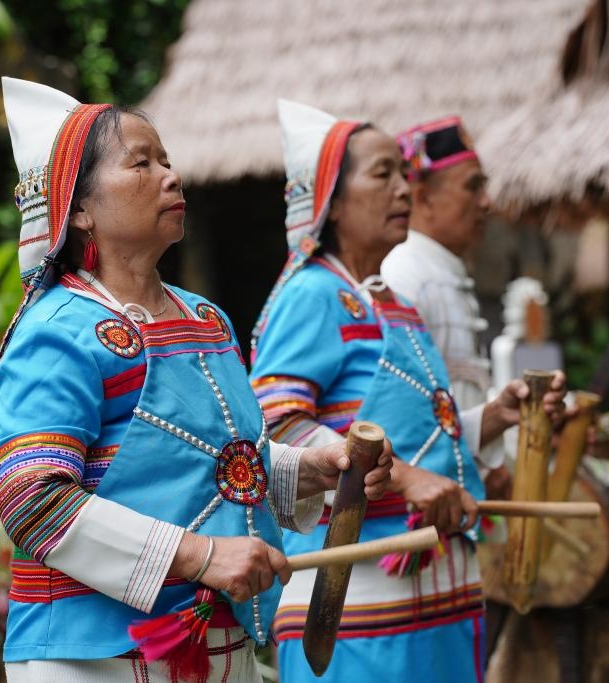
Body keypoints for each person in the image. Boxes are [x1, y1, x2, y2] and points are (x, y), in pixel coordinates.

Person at [0, 79, 393, 683]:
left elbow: (211, 463)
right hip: (94, 657)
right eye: (140, 163)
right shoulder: (57, 330)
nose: (171, 177)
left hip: (210, 641)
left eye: (167, 161)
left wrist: (307, 468)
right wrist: (200, 556)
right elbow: (34, 500)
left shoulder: (205, 319)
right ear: (80, 209)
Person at [249, 100, 566, 682]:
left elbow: (423, 441)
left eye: (404, 172)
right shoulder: (313, 294)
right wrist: (408, 481)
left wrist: (496, 416)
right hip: (358, 604)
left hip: (434, 598)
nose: (403, 189)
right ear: (332, 202)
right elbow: (276, 424)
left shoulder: (390, 303)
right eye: (382, 174)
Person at [380, 116, 511, 499]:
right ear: (422, 197)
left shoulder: (438, 271)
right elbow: (404, 415)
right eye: (473, 187)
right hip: (423, 502)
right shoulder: (405, 275)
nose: (486, 202)